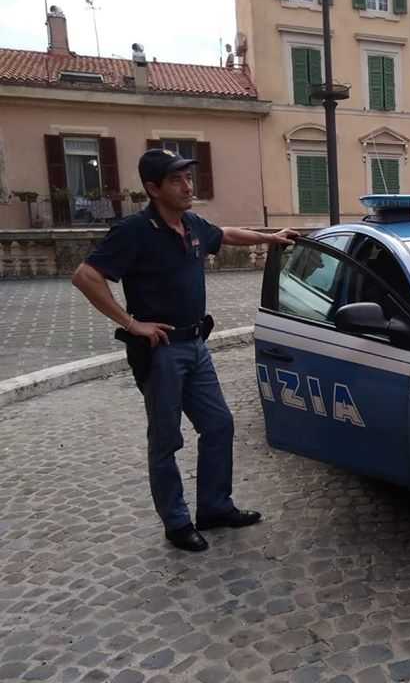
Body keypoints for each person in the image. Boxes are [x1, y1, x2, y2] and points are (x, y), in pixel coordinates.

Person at [72, 148, 298, 552]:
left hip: (196, 345)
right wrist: (131, 324)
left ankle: (214, 507)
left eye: (188, 178)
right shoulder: (134, 231)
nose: (187, 186)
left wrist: (270, 238)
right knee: (165, 440)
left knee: (219, 424)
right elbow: (86, 276)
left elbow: (225, 234)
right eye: (176, 180)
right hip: (161, 351)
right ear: (153, 188)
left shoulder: (191, 224)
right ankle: (176, 523)